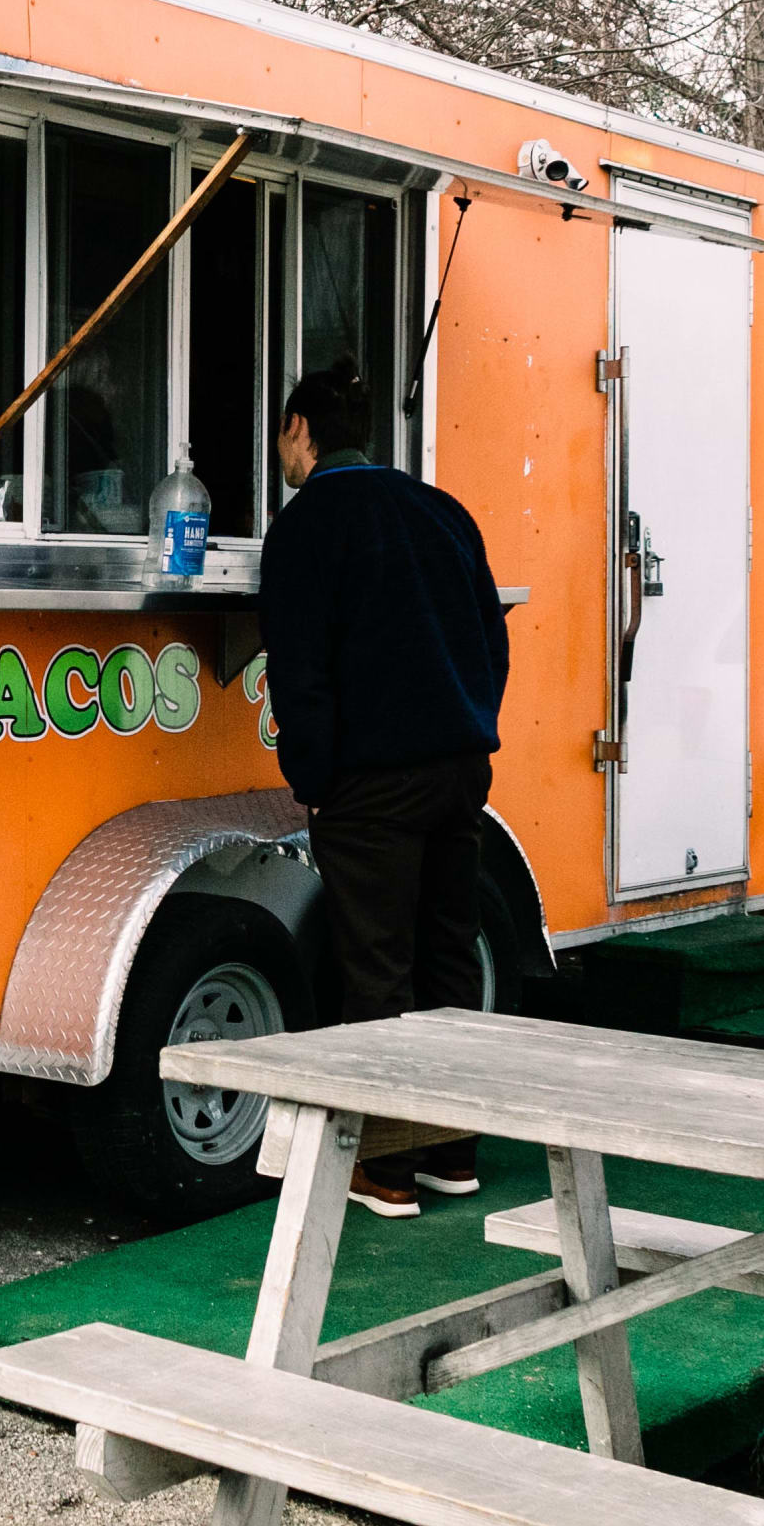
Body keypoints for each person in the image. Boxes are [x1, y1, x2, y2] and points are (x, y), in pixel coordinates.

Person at [256, 356, 509, 1215]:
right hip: (458, 770)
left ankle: (386, 1171)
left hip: (370, 782)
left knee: (374, 972)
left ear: (300, 432)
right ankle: (453, 1154)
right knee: (445, 961)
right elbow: (491, 638)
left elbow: (300, 674)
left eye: (283, 440)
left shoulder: (304, 528)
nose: (282, 459)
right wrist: (473, 720)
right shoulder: (441, 512)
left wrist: (314, 779)